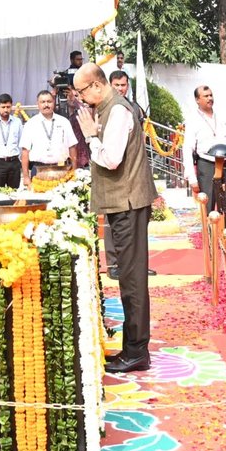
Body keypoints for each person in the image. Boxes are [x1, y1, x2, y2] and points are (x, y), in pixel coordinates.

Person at [75, 63, 159, 374]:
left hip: (129, 203)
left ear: (96, 85)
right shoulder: (107, 107)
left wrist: (89, 137)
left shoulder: (119, 110)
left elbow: (111, 159)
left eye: (83, 92)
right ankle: (132, 347)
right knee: (126, 276)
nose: (82, 100)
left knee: (132, 279)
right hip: (122, 203)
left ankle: (137, 350)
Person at [183, 85, 226, 231]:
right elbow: (187, 148)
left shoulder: (222, 116)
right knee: (208, 203)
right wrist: (191, 178)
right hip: (207, 164)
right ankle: (210, 240)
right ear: (197, 100)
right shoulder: (193, 120)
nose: (210, 98)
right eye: (205, 96)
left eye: (211, 95)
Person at [20, 90, 76, 179]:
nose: (46, 105)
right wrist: (26, 177)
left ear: (54, 102)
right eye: (43, 102)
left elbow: (72, 147)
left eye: (49, 102)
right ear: (37, 104)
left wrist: (74, 172)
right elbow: (25, 152)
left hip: (62, 169)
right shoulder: (30, 124)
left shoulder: (64, 122)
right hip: (38, 170)